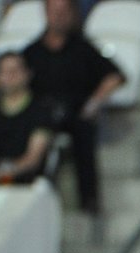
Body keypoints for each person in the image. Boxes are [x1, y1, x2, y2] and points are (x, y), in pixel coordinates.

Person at [22, 0, 124, 216]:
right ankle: (29, 197)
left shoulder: (82, 48)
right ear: (46, 13)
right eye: (54, 10)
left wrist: (95, 101)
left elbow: (115, 75)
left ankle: (89, 200)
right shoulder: (32, 52)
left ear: (71, 13)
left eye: (63, 10)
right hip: (40, 115)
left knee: (84, 132)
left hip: (75, 114)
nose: (59, 16)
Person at [0, 52, 54, 186]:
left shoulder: (41, 110)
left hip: (25, 184)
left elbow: (33, 158)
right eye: (5, 71)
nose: (10, 76)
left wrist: (2, 173)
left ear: (27, 73)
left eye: (15, 70)